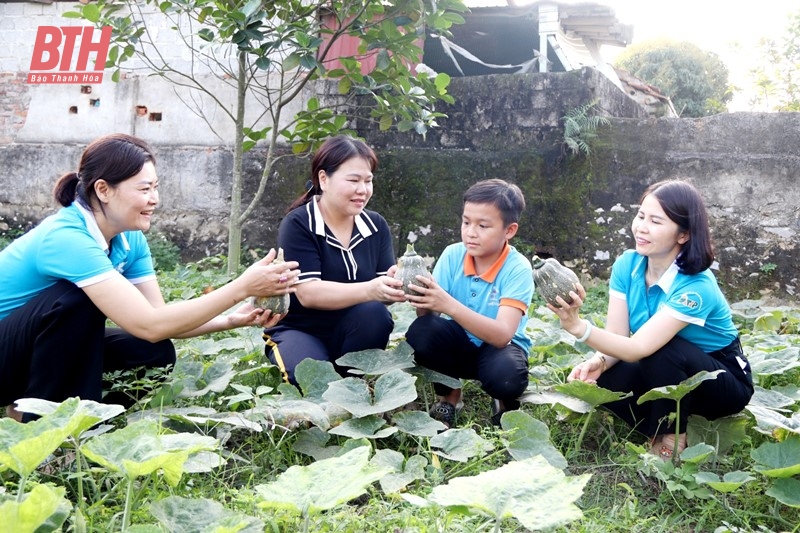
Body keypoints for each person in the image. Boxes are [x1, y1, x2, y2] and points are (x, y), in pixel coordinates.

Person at [0, 133, 299, 422]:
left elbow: (158, 319)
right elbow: (149, 324)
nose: (154, 199)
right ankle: (44, 428)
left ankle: (77, 419)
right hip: (6, 355)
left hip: (29, 352)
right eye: (144, 190)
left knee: (151, 350)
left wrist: (230, 319)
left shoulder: (130, 238)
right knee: (76, 300)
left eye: (156, 187)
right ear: (103, 190)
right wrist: (241, 287)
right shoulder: (67, 238)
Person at [552, 179, 754, 459]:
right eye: (641, 216)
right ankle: (670, 414)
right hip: (666, 369)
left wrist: (577, 327)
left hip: (721, 378)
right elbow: (619, 337)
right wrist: (597, 362)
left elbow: (639, 348)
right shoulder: (628, 264)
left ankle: (672, 431)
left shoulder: (697, 286)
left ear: (683, 235)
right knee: (604, 385)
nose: (641, 227)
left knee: (662, 350)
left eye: (656, 221)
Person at [263, 135, 406, 385]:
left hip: (352, 329)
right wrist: (371, 288)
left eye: (368, 181)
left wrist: (394, 286)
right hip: (300, 329)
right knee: (314, 383)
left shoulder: (376, 225)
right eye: (353, 180)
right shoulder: (298, 223)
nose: (362, 190)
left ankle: (354, 382)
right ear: (323, 179)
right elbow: (308, 293)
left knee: (375, 314)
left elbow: (381, 292)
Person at [404, 178, 534, 428]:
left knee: (507, 377)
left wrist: (448, 304)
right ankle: (450, 397)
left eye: (483, 225)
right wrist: (421, 296)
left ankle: (503, 404)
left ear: (509, 230)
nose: (471, 232)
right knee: (422, 332)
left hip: (499, 349)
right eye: (466, 222)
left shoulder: (517, 267)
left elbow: (502, 336)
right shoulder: (453, 254)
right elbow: (427, 316)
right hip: (459, 344)